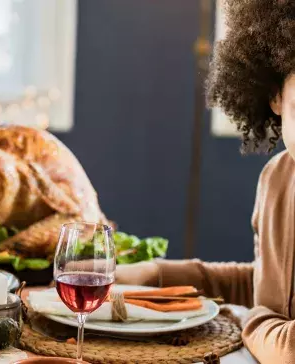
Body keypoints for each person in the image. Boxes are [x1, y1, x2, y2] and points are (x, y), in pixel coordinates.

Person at [115, 1, 295, 362]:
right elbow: (273, 289)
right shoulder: (280, 176)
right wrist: (155, 275)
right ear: (275, 95)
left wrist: (253, 321)